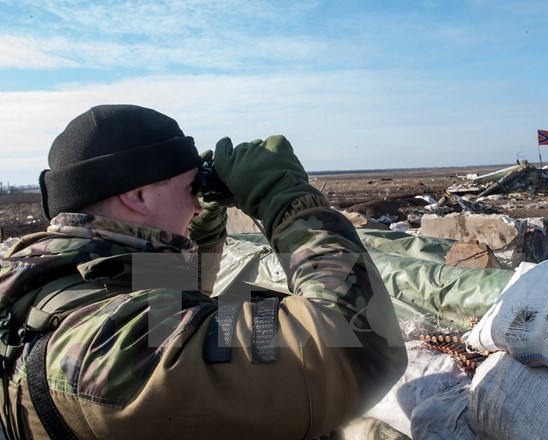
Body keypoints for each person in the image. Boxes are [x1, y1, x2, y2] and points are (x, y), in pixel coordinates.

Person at [0, 105, 407, 439]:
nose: (196, 204)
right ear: (138, 195)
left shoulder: (53, 280)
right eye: (189, 190)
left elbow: (166, 305)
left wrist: (205, 224)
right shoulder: (111, 348)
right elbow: (351, 346)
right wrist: (286, 199)